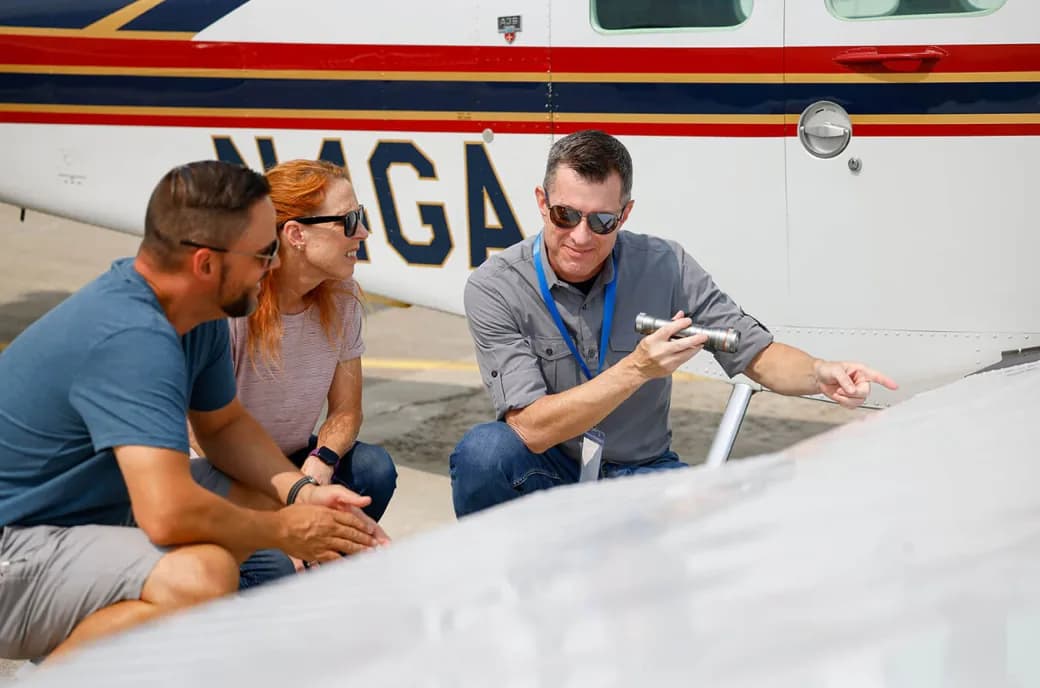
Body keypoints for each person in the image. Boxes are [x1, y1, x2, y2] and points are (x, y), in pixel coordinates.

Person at [0, 160, 386, 662]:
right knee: (200, 578)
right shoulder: (134, 338)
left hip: (85, 518)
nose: (272, 266)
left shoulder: (193, 308)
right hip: (17, 545)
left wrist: (301, 494)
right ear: (205, 263)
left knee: (263, 498)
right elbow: (168, 514)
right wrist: (288, 531)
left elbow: (223, 425)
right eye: (263, 252)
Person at [450, 129, 898, 517]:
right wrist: (638, 369)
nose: (582, 237)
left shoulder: (666, 265)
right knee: (485, 453)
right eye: (566, 216)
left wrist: (820, 373)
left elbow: (751, 351)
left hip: (640, 472)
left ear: (624, 215)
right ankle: (505, 589)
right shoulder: (495, 287)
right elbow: (529, 427)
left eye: (603, 221)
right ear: (542, 204)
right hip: (548, 469)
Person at [190, 159, 397, 584]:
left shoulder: (342, 296)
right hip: (214, 469)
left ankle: (311, 561)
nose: (363, 233)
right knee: (278, 568)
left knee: (374, 469)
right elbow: (202, 435)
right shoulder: (230, 305)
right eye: (350, 221)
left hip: (292, 463)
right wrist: (290, 508)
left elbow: (346, 411)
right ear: (296, 234)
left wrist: (318, 465)